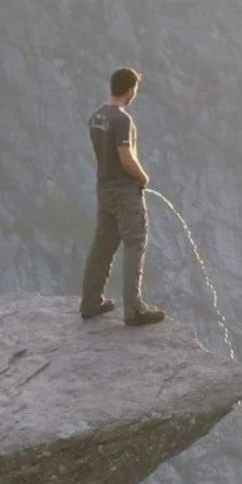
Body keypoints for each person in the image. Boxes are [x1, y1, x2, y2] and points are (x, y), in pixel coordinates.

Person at [79, 67, 167, 326]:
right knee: (134, 244)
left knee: (102, 245)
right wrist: (143, 178)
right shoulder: (122, 120)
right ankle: (135, 309)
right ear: (130, 90)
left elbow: (98, 154)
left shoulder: (96, 117)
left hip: (104, 188)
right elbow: (126, 159)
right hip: (125, 192)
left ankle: (90, 302)